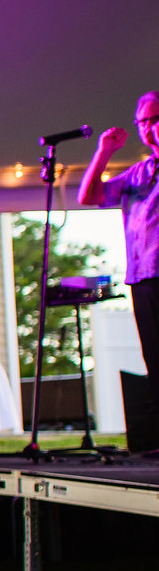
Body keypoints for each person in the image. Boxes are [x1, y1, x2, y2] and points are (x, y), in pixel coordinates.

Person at [77, 90, 159, 372]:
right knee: (154, 361)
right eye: (142, 122)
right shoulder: (140, 172)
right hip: (143, 277)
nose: (148, 127)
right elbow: (89, 196)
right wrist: (104, 152)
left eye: (155, 119)